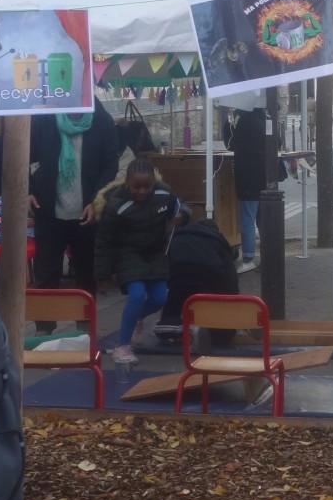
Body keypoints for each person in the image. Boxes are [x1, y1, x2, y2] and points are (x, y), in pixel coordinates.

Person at [94, 157, 182, 365]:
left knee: (160, 298)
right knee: (136, 295)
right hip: (128, 253)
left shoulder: (163, 193)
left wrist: (181, 218)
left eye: (146, 186)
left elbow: (178, 208)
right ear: (127, 183)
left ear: (154, 183)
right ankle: (122, 346)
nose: (141, 191)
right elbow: (104, 241)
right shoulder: (117, 204)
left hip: (154, 253)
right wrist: (103, 274)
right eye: (136, 187)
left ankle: (137, 319)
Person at [28, 98, 120, 295]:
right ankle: (45, 326)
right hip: (48, 209)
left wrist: (97, 200)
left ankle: (86, 325)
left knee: (86, 275)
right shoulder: (45, 119)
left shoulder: (102, 121)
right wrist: (27, 191)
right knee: (46, 274)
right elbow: (25, 154)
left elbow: (110, 165)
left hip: (86, 211)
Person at [159, 205, 239, 348]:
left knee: (174, 302)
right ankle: (213, 333)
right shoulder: (218, 240)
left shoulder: (179, 235)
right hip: (209, 278)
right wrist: (231, 298)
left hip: (179, 276)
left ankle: (169, 326)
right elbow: (230, 275)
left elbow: (165, 262)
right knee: (218, 316)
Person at [229, 103, 271, 271]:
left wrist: (230, 123)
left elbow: (231, 143)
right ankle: (268, 255)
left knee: (247, 218)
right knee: (263, 219)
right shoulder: (264, 119)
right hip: (264, 176)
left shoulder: (245, 122)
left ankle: (248, 258)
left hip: (248, 176)